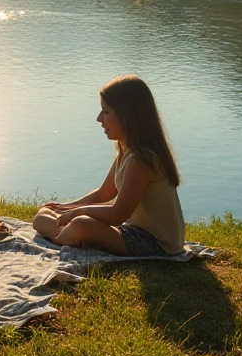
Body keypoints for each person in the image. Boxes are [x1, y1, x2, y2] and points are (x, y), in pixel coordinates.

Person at [32, 75, 185, 256]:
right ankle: (67, 233)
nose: (99, 118)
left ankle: (64, 235)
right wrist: (66, 207)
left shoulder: (142, 160)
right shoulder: (126, 153)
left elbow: (119, 213)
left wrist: (77, 213)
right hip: (132, 231)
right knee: (44, 214)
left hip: (155, 244)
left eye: (105, 112)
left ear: (127, 115)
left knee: (81, 224)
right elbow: (103, 193)